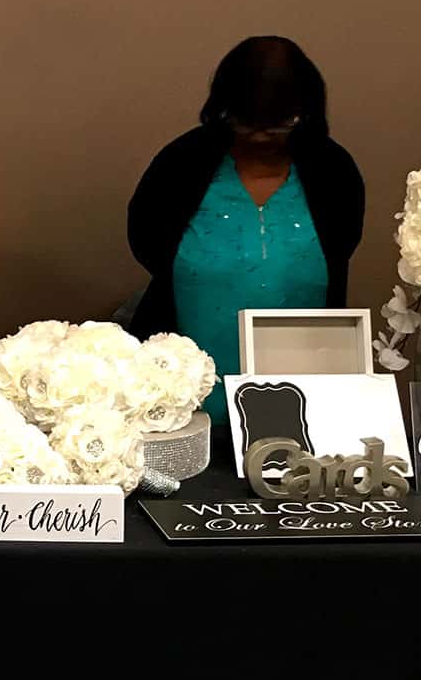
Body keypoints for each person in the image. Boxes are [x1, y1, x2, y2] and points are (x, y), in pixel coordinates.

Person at [127, 36, 364, 419]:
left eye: (279, 125)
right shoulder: (181, 163)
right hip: (185, 388)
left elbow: (343, 245)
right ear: (222, 109)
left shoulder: (332, 171)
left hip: (303, 384)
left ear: (307, 110)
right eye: (246, 122)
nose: (259, 137)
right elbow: (146, 241)